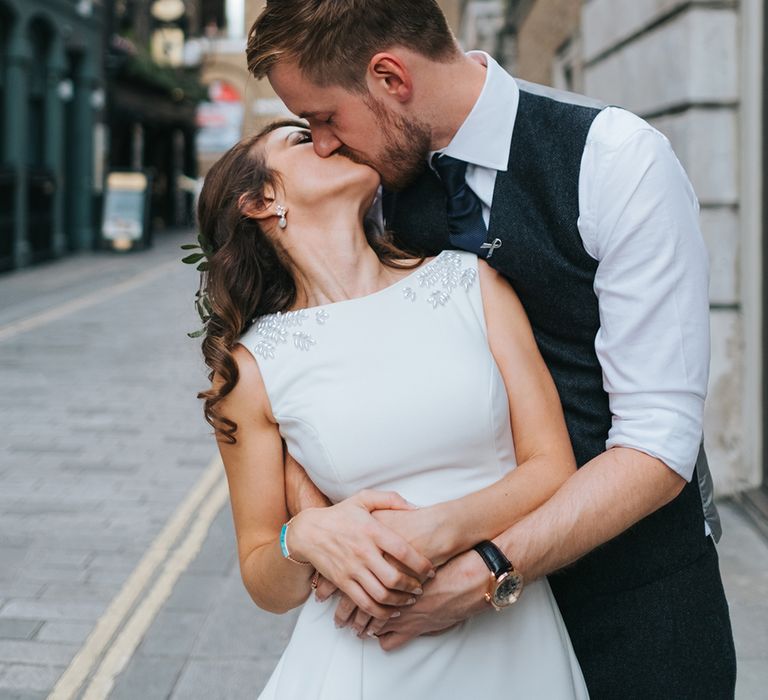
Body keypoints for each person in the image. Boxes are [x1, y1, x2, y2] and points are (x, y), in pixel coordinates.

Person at [246, 0, 737, 697]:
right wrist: (316, 519)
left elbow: (658, 446)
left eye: (324, 118)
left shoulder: (614, 159)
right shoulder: (373, 194)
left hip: (635, 602)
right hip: (447, 640)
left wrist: (487, 570)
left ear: (390, 77)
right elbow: (316, 373)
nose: (323, 145)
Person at [195, 120, 589, 697]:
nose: (332, 138)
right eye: (303, 140)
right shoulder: (252, 369)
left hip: (513, 642)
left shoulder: (470, 283)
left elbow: (554, 467)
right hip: (367, 662)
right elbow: (264, 578)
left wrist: (439, 533)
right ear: (261, 201)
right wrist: (301, 538)